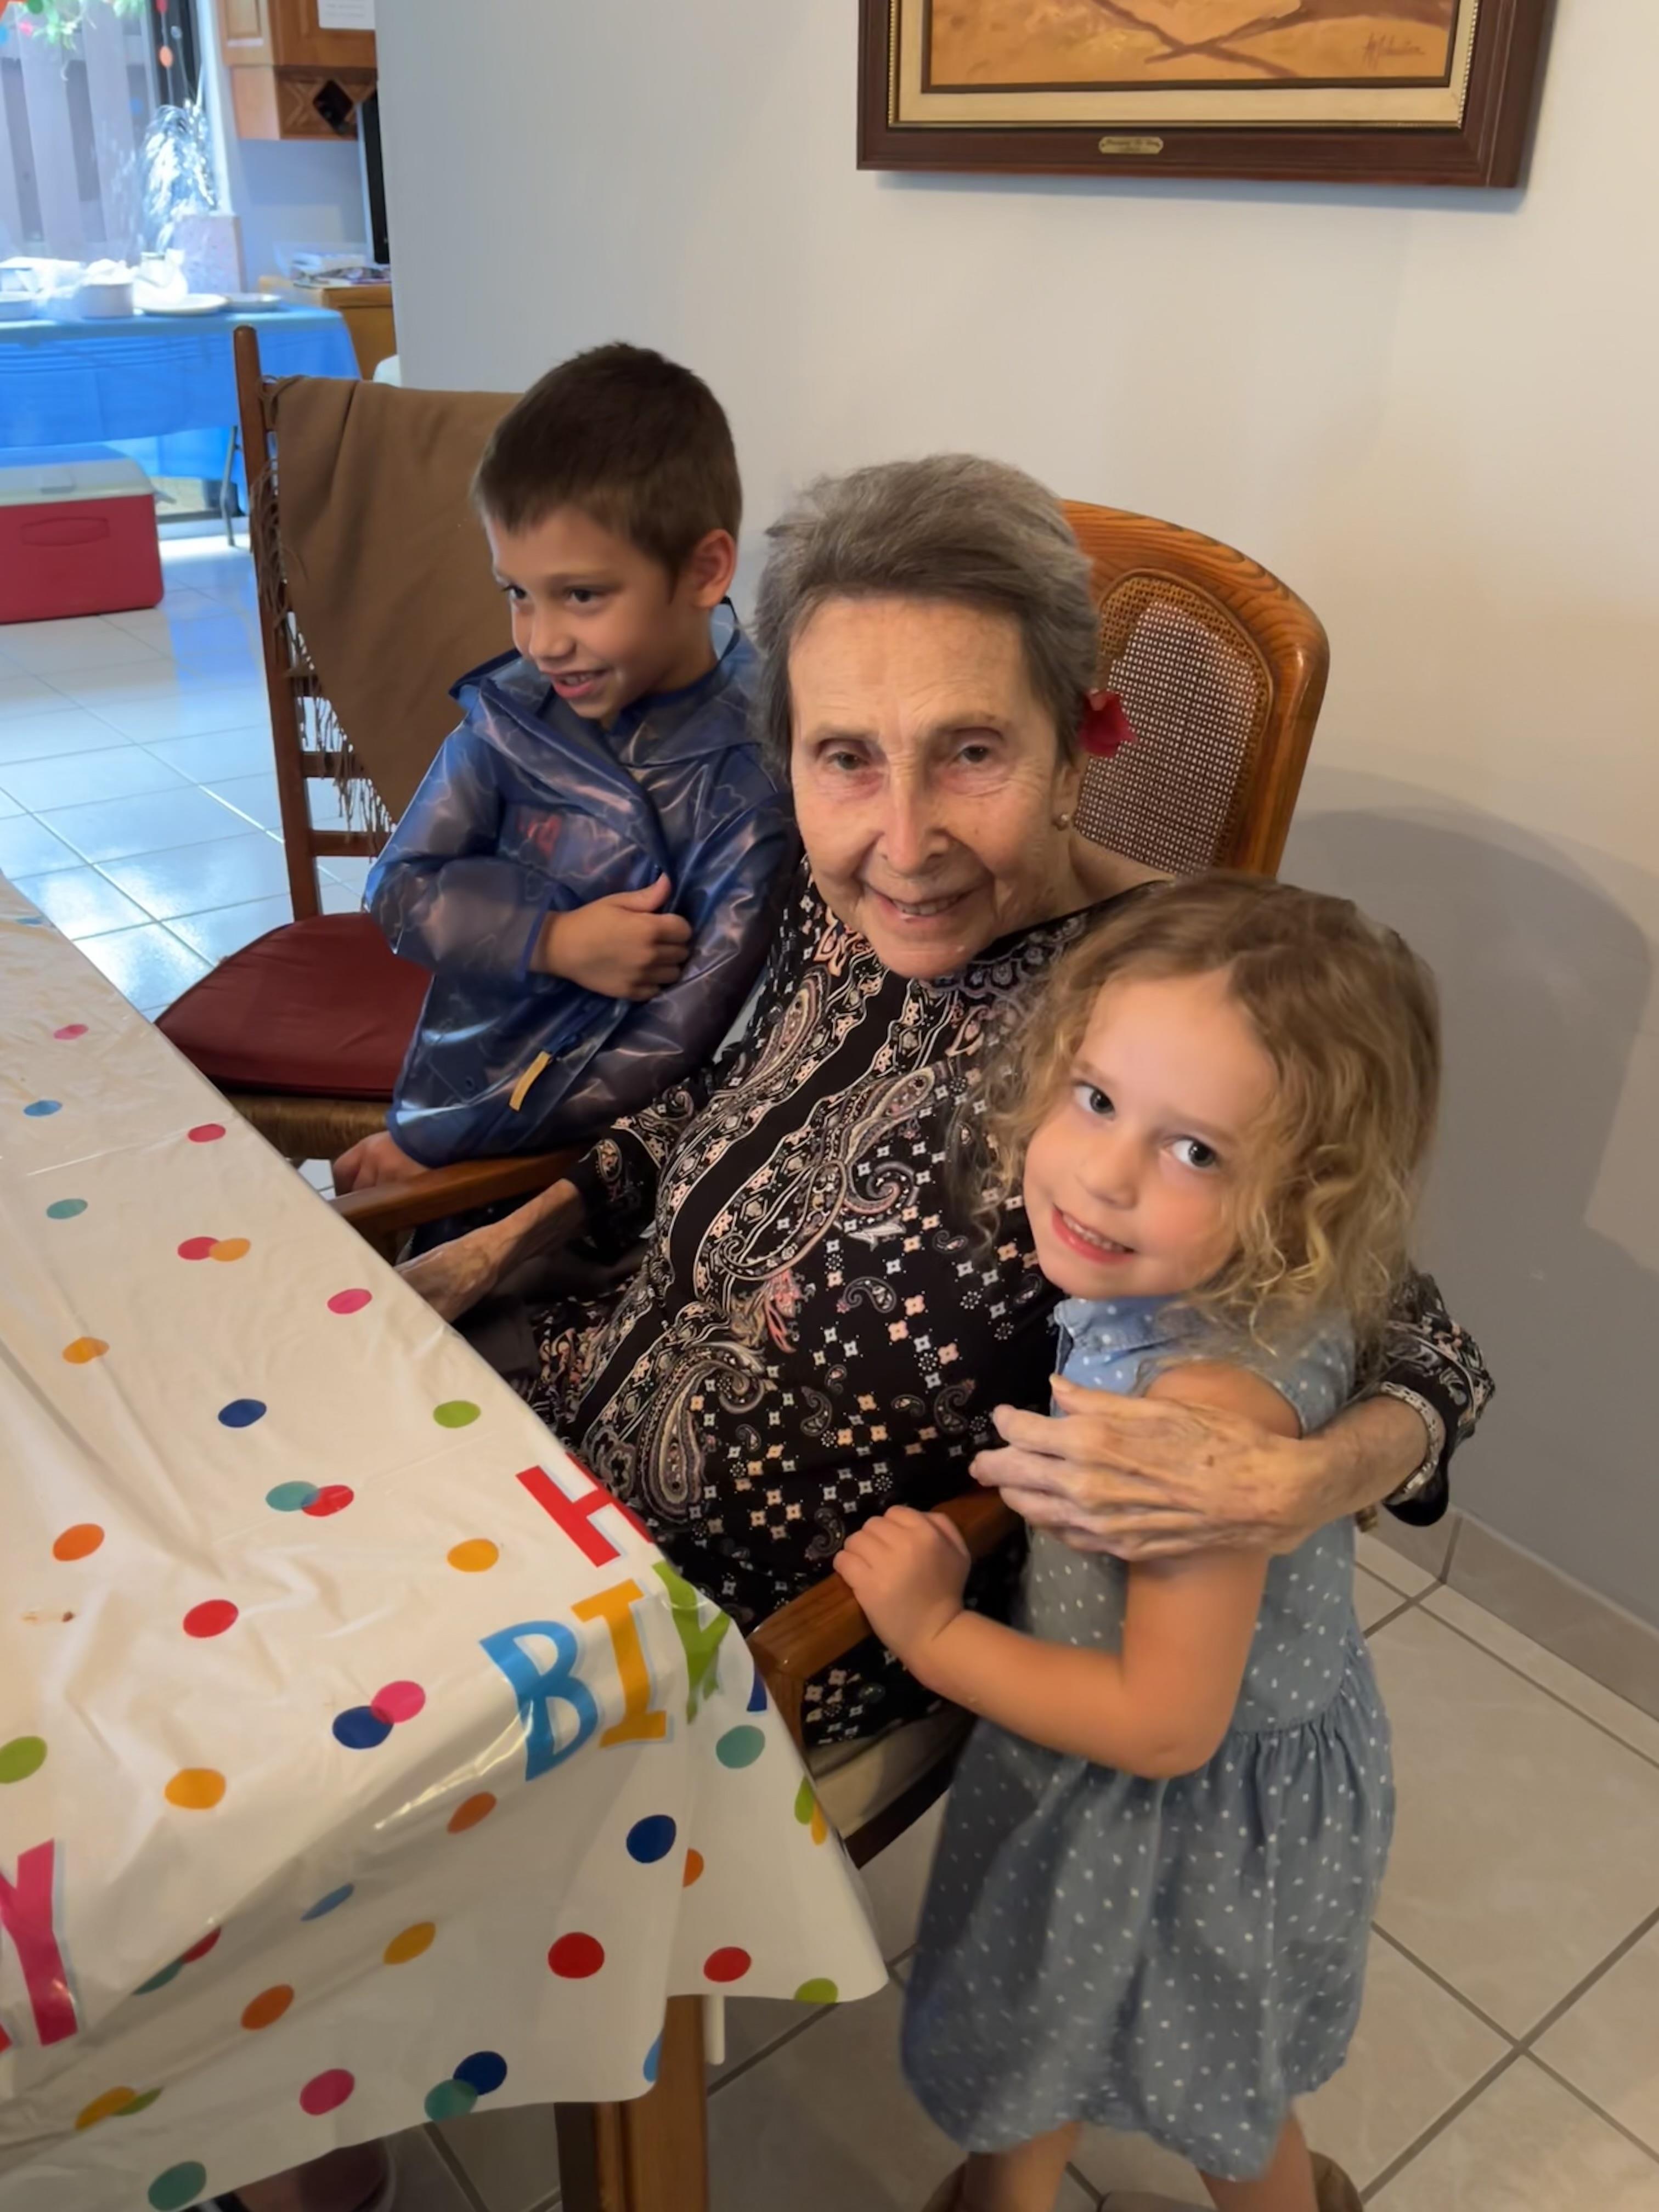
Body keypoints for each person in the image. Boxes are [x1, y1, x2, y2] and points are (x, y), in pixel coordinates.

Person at [397, 454, 1491, 1761]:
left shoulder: (1159, 1013)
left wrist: (1304, 1481)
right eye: (846, 758)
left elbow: (1419, 1340)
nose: (904, 844)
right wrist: (494, 1244)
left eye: (971, 751)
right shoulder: (843, 886)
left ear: (1084, 737)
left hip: (765, 1631)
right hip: (559, 1429)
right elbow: (730, 1096)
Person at [837, 875, 1437, 2212]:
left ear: (1304, 1196)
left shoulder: (1199, 1409)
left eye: (1197, 1151)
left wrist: (934, 1634)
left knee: (1203, 2080)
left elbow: (1166, 1724)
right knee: (1104, 2045)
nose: (1104, 1174)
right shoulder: (1212, 1286)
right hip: (1146, 1780)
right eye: (1097, 1099)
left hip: (1177, 1814)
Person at [334, 342, 795, 1187]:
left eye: (581, 595)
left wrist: (444, 1152)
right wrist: (551, 939)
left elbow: (675, 1045)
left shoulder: (755, 768)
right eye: (518, 593)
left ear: (704, 570)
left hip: (606, 1175)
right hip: (459, 1093)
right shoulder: (512, 714)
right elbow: (398, 888)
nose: (542, 641)